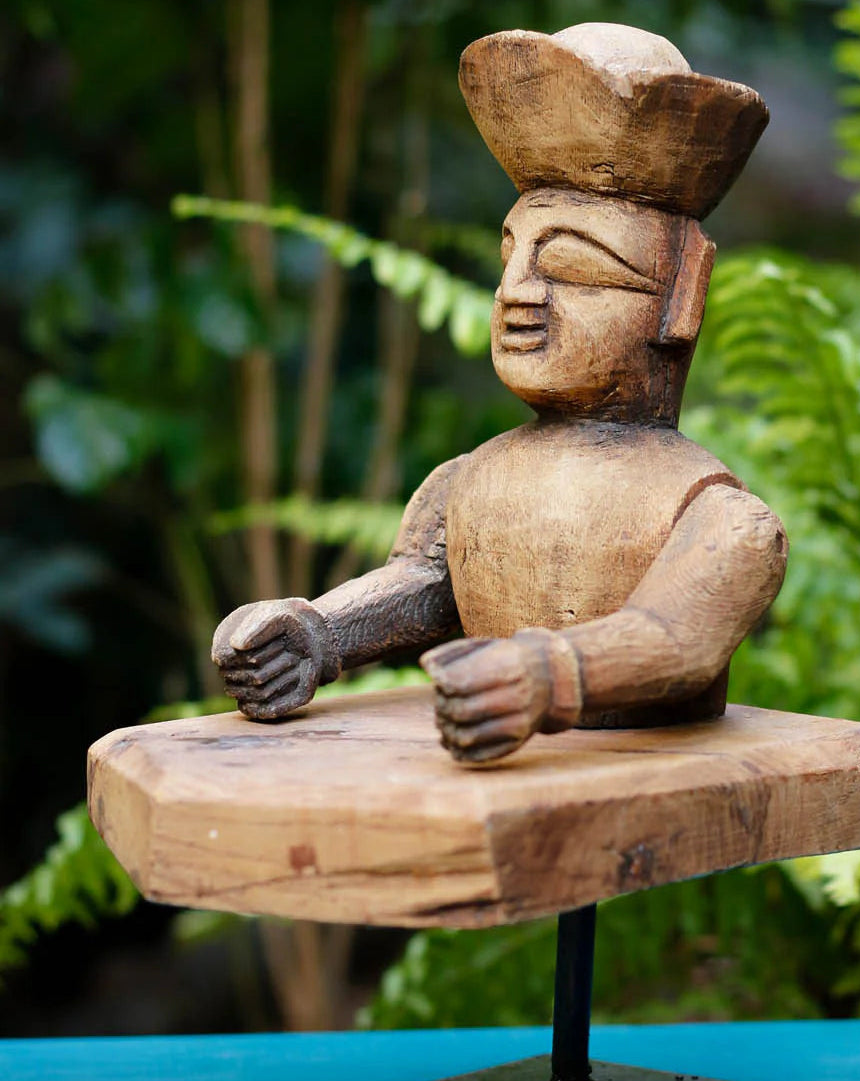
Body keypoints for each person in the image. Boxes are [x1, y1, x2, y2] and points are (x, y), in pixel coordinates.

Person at [212, 23, 788, 762]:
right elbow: (426, 585)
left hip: (643, 782)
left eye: (573, 267)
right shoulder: (469, 479)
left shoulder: (716, 512)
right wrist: (320, 631)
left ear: (682, 300)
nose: (517, 293)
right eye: (510, 259)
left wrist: (541, 676)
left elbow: (678, 637)